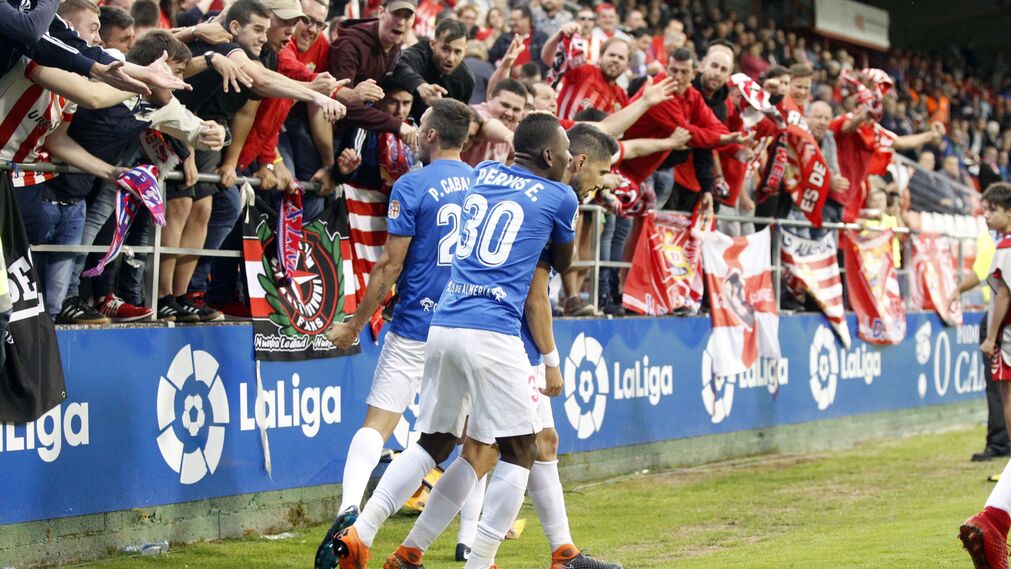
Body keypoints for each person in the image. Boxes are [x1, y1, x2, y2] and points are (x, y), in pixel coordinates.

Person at [328, 113, 582, 569]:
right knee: (521, 448)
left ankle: (360, 534)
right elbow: (562, 262)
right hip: (493, 329)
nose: (568, 161)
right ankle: (480, 561)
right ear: (549, 156)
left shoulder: (483, 174)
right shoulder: (559, 194)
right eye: (564, 154)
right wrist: (570, 196)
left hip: (443, 323)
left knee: (433, 442)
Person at [313, 98, 476, 569]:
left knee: (379, 425)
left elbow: (389, 265)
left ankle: (350, 513)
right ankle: (469, 544)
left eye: (418, 126)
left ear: (430, 135)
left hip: (415, 325)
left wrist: (354, 325)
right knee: (463, 441)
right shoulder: (483, 184)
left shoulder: (413, 184)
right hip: (466, 327)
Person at [959, 182, 1011, 569]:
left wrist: (992, 337)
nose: (986, 216)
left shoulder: (1005, 249)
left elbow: (1002, 294)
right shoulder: (1003, 247)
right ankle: (993, 521)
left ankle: (993, 520)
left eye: (992, 209)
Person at [329, 0, 418, 147]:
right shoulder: (349, 46)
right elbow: (342, 105)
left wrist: (420, 85)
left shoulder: (394, 42)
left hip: (356, 126)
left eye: (407, 17)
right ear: (381, 12)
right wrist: (396, 125)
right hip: (325, 126)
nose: (401, 22)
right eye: (396, 14)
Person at [541, 23, 630, 121]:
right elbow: (548, 58)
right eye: (612, 55)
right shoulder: (584, 71)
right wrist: (560, 33)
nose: (615, 60)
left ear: (627, 65)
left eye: (621, 57)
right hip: (561, 133)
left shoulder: (622, 98)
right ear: (600, 57)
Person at [391, 18, 474, 123]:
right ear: (433, 44)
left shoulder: (466, 80)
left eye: (457, 52)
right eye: (445, 49)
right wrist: (420, 85)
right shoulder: (418, 55)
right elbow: (397, 66)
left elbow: (457, 119)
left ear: (465, 51)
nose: (450, 58)